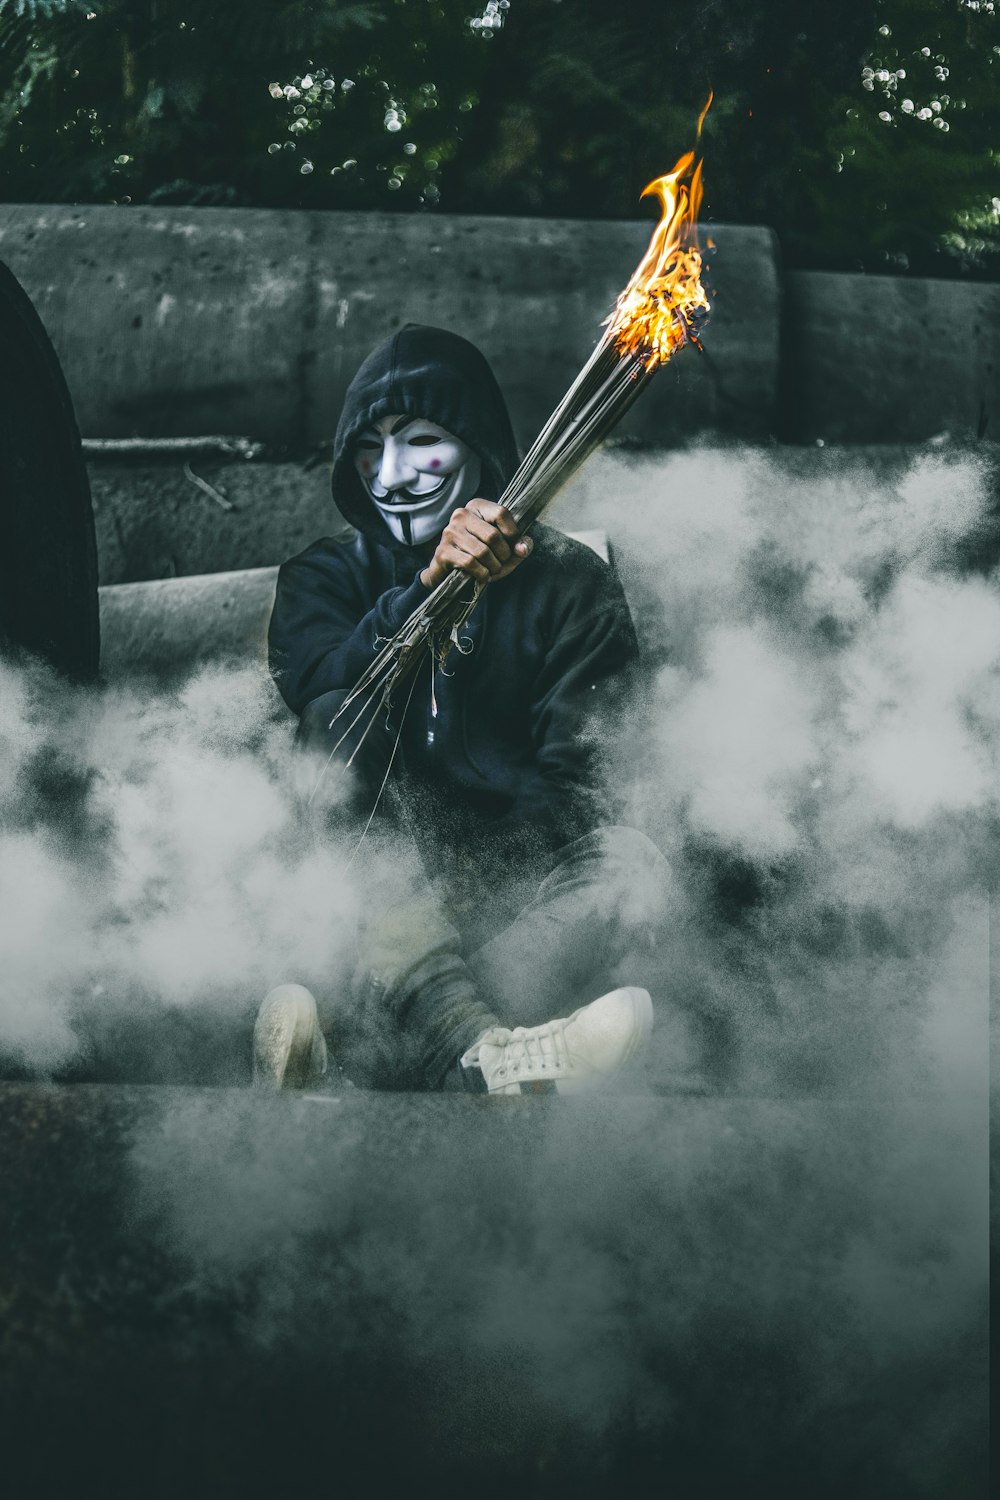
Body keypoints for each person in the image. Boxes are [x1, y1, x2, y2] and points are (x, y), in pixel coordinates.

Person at [256, 324, 670, 1096]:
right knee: (332, 722)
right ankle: (486, 1057)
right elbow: (319, 686)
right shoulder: (320, 578)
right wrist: (424, 594)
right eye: (369, 449)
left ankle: (376, 1048)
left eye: (421, 441)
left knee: (633, 868)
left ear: (478, 446)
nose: (392, 473)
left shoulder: (572, 584)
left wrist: (483, 883)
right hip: (376, 904)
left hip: (514, 908)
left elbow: (587, 777)